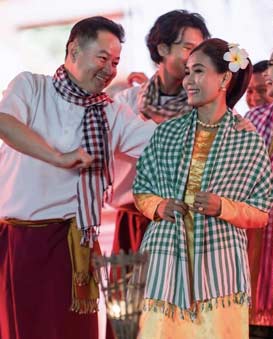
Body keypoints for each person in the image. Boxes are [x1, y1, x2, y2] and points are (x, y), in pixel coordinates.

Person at [0, 16, 156, 339]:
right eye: (103, 58)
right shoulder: (32, 87)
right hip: (23, 243)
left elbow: (161, 142)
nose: (110, 69)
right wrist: (59, 158)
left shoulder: (110, 112)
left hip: (78, 244)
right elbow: (4, 122)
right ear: (73, 51)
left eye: (115, 62)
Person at [133, 38, 273, 337]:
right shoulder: (167, 132)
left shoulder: (246, 139)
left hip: (220, 266)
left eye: (198, 71)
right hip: (164, 260)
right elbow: (142, 189)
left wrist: (223, 207)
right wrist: (159, 206)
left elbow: (262, 211)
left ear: (225, 77)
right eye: (186, 72)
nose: (188, 80)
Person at [110, 10, 210, 255]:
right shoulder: (127, 102)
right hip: (134, 221)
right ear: (163, 48)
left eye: (200, 52)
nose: (194, 59)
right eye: (188, 48)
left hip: (185, 222)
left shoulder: (205, 106)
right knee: (132, 292)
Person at [244, 49, 273, 338]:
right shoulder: (248, 116)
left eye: (261, 89)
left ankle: (263, 316)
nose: (254, 97)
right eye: (249, 91)